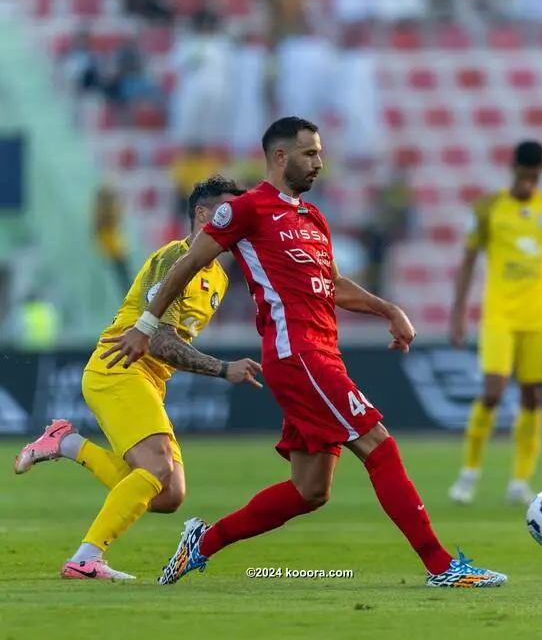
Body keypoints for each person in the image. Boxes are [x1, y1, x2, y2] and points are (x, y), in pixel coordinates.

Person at [101, 117, 507, 588]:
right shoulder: (247, 210)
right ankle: (442, 567)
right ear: (280, 157)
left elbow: (331, 285)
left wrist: (388, 309)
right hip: (298, 355)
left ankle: (203, 542)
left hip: (322, 353)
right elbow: (190, 262)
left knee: (309, 491)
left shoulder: (312, 219)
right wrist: (146, 326)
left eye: (319, 153)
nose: (320, 163)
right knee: (378, 442)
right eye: (310, 153)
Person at [13, 176, 262, 580]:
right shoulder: (174, 259)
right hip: (118, 367)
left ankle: (68, 443)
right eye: (227, 212)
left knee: (168, 495)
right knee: (159, 468)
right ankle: (85, 557)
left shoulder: (216, 275)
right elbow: (160, 341)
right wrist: (222, 369)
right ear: (202, 214)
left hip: (147, 380)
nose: (237, 222)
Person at [448, 141, 542, 506]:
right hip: (499, 314)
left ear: (541, 173)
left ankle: (519, 481)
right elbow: (467, 260)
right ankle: (469, 473)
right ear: (513, 169)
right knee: (493, 391)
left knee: (534, 397)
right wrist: (458, 311)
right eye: (524, 176)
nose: (529, 184)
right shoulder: (488, 208)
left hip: (539, 316)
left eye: (535, 177)